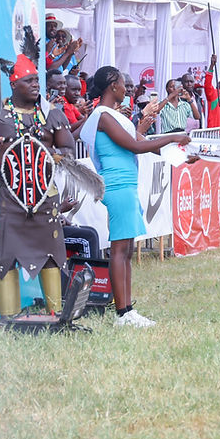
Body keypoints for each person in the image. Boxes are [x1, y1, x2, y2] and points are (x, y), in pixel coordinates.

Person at [80, 66, 193, 327]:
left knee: (126, 249)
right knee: (120, 250)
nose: (126, 89)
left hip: (126, 185)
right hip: (117, 186)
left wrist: (183, 155)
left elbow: (143, 141)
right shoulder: (103, 115)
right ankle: (123, 313)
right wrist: (173, 136)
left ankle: (128, 309)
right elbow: (135, 146)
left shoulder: (114, 116)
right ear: (112, 86)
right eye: (123, 84)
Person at [0, 54, 75, 319]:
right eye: (29, 81)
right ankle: (10, 317)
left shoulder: (51, 115)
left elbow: (68, 148)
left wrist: (53, 155)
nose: (35, 85)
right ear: (14, 84)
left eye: (37, 80)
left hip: (45, 199)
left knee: (51, 255)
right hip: (8, 201)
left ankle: (56, 313)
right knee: (5, 257)